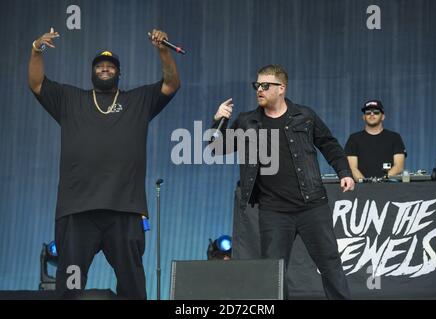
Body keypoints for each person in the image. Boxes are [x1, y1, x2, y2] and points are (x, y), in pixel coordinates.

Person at [28, 27, 180, 299]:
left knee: (132, 285)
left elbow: (171, 85)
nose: (106, 69)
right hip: (77, 211)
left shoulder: (138, 101)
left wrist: (163, 51)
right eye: (100, 65)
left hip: (125, 209)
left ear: (119, 73)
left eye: (111, 66)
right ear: (92, 72)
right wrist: (36, 49)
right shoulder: (70, 99)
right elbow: (37, 83)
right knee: (70, 287)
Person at [210, 65, 354, 299]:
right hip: (274, 211)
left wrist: (344, 171)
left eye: (265, 86)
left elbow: (328, 143)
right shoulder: (247, 121)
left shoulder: (304, 116)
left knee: (330, 264)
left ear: (281, 89)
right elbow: (216, 148)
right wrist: (218, 121)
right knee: (274, 272)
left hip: (312, 206)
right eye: (257, 85)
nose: (259, 90)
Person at [345, 100, 406, 180]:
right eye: (368, 112)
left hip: (389, 188)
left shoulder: (395, 138)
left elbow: (399, 167)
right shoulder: (353, 139)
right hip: (361, 190)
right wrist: (365, 185)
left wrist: (382, 182)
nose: (372, 114)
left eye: (376, 112)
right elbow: (352, 168)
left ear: (383, 117)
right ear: (363, 117)